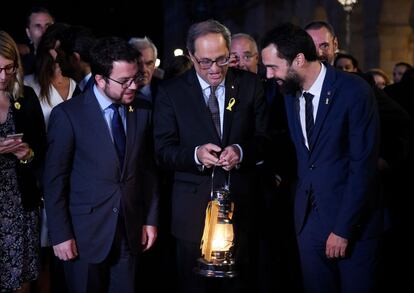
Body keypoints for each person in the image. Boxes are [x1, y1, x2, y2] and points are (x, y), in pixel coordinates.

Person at [261, 23, 386, 293]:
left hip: (353, 225)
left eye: (273, 67)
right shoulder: (289, 93)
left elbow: (362, 166)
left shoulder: (353, 91)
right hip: (308, 224)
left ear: (298, 60)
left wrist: (343, 229)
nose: (269, 75)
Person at [153, 19, 268, 293]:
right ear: (191, 56)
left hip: (243, 208)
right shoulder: (171, 93)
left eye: (222, 59)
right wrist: (195, 155)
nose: (215, 69)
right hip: (191, 213)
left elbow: (266, 139)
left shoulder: (251, 86)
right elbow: (162, 151)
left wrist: (241, 151)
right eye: (205, 62)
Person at [43, 36, 159, 292]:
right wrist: (61, 235)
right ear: (100, 79)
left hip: (129, 231)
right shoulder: (68, 115)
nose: (133, 86)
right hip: (84, 236)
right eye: (124, 81)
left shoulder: (143, 110)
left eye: (136, 78)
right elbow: (54, 181)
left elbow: (147, 170)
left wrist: (150, 219)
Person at [0, 30, 47, 292]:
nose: (3, 77)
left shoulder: (25, 97)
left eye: (9, 68)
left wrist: (26, 154)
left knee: (22, 279)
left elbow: (40, 151)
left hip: (20, 206)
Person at [20, 6, 55, 75]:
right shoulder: (21, 67)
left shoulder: (68, 64)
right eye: (38, 26)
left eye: (48, 25)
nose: (44, 31)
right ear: (28, 33)